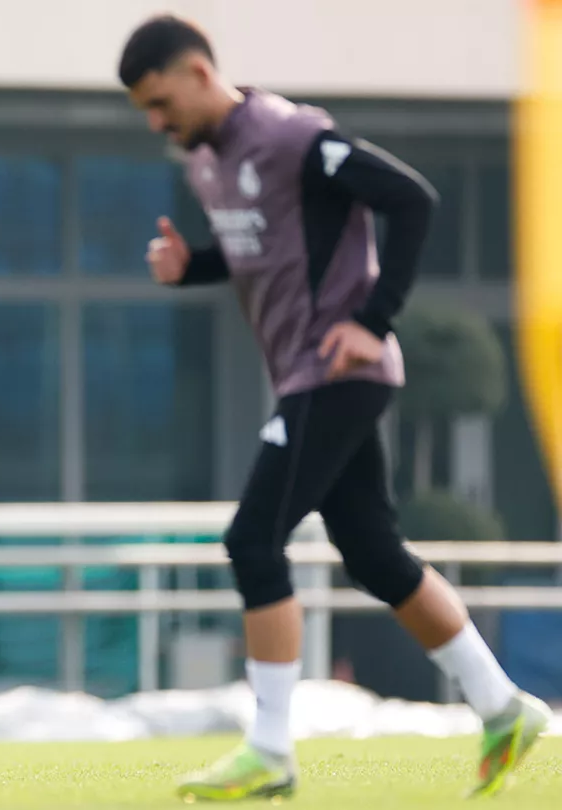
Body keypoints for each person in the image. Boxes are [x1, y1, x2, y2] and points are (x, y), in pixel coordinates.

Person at [117, 14, 551, 802]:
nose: (156, 122)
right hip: (305, 378)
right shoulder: (209, 162)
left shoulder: (292, 135)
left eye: (159, 102)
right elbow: (268, 251)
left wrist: (373, 321)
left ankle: (270, 749)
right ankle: (503, 707)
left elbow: (411, 200)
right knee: (375, 555)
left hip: (340, 371)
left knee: (253, 539)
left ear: (197, 73)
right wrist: (192, 266)